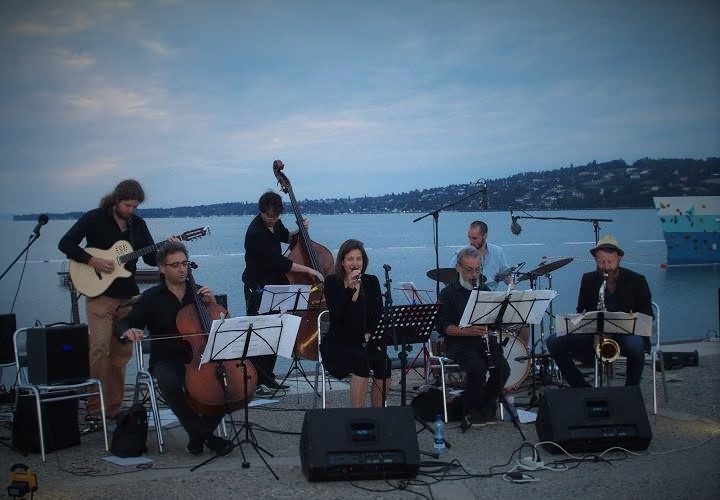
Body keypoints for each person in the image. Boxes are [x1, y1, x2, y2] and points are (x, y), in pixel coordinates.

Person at [115, 241, 233, 456]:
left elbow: (222, 327)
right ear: (162, 268)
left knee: (231, 384)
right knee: (168, 381)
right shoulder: (151, 297)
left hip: (201, 357)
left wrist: (213, 304)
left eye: (184, 264)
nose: (182, 269)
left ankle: (197, 436)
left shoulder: (199, 294)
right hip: (166, 359)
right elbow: (125, 323)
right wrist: (128, 332)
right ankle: (205, 435)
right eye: (175, 265)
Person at [58, 179, 158, 422]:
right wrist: (91, 260)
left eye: (135, 206)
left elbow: (151, 259)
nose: (131, 210)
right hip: (100, 296)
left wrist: (167, 249)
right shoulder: (94, 218)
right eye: (127, 205)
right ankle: (95, 408)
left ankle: (113, 408)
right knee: (99, 349)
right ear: (116, 200)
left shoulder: (138, 224)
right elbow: (65, 243)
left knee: (121, 354)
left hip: (128, 296)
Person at [241, 191, 324, 396]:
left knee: (275, 332)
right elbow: (280, 262)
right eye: (268, 216)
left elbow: (287, 237)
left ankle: (268, 378)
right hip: (257, 287)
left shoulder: (275, 224)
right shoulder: (256, 233)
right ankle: (256, 381)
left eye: (275, 216)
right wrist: (309, 270)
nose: (272, 220)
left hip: (276, 284)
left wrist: (300, 230)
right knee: (260, 333)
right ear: (261, 211)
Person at [547, 235, 653, 387]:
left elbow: (647, 315)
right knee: (553, 341)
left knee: (636, 345)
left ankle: (631, 389)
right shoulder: (588, 279)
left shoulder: (637, 280)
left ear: (619, 258)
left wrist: (626, 322)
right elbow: (581, 311)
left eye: (610, 262)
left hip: (626, 335)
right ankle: (580, 387)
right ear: (595, 260)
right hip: (595, 335)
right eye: (601, 262)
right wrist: (592, 331)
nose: (606, 267)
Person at [436, 246, 510, 431]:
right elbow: (443, 326)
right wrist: (466, 331)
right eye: (469, 270)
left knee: (503, 370)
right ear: (458, 268)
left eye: (477, 270)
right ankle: (469, 410)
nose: (474, 275)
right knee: (477, 368)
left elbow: (494, 319)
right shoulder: (447, 293)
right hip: (459, 343)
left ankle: (482, 406)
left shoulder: (484, 289)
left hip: (483, 341)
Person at [321, 239, 390, 408]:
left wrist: (373, 335)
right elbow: (337, 316)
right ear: (342, 262)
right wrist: (350, 289)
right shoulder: (332, 282)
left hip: (365, 340)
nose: (355, 263)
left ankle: (379, 413)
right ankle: (358, 414)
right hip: (339, 342)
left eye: (358, 259)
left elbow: (379, 313)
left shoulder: (371, 281)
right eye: (350, 259)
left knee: (384, 361)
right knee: (361, 360)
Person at [450, 220, 511, 291]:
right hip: (467, 293)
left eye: (475, 238)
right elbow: (448, 276)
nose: (471, 241)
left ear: (485, 236)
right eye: (469, 238)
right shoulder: (461, 253)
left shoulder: (498, 251)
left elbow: (506, 275)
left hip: (491, 294)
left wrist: (511, 285)